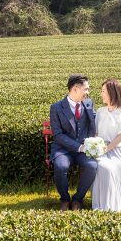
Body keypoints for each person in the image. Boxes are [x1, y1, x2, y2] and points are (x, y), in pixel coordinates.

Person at [91, 79, 121, 212]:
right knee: (100, 166)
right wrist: (97, 146)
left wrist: (107, 149)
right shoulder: (101, 111)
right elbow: (96, 132)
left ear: (112, 93)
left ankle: (110, 204)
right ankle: (102, 203)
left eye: (103, 91)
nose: (101, 94)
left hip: (118, 152)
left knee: (107, 167)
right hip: (101, 149)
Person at [50, 74, 97, 211]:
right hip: (63, 149)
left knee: (92, 166)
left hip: (83, 149)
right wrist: (79, 147)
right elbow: (58, 135)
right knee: (60, 166)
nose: (88, 92)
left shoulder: (88, 103)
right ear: (75, 89)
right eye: (86, 89)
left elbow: (94, 122)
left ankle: (77, 199)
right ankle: (65, 200)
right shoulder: (56, 107)